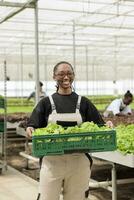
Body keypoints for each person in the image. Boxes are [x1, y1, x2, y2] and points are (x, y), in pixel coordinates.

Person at [26, 61, 113, 200]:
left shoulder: (84, 102)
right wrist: (30, 129)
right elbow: (33, 125)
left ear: (73, 76)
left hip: (79, 161)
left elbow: (99, 126)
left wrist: (106, 125)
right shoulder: (46, 102)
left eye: (69, 73)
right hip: (52, 161)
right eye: (61, 74)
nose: (65, 77)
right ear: (54, 76)